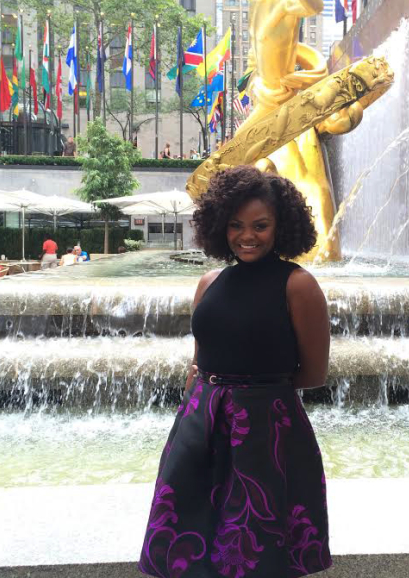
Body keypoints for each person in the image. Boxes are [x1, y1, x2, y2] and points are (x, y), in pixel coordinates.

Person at [138, 167, 332, 578]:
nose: (247, 236)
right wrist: (202, 393)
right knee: (191, 538)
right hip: (200, 421)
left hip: (266, 429)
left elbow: (313, 372)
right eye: (236, 225)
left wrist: (253, 390)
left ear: (281, 226)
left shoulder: (298, 285)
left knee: (257, 548)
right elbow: (201, 355)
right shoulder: (209, 282)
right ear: (220, 226)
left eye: (260, 226)